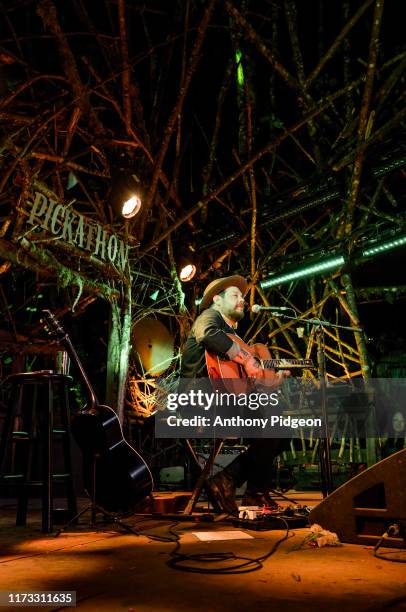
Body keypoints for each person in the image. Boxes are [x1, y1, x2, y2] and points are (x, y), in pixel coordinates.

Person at [180, 274, 290, 514]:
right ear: (217, 300)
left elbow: (245, 380)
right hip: (201, 399)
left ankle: (240, 483)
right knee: (274, 420)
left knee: (282, 428)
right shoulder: (209, 317)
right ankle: (242, 485)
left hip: (227, 398)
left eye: (242, 296)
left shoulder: (236, 336)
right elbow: (208, 334)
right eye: (236, 295)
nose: (242, 300)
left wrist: (274, 378)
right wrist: (246, 359)